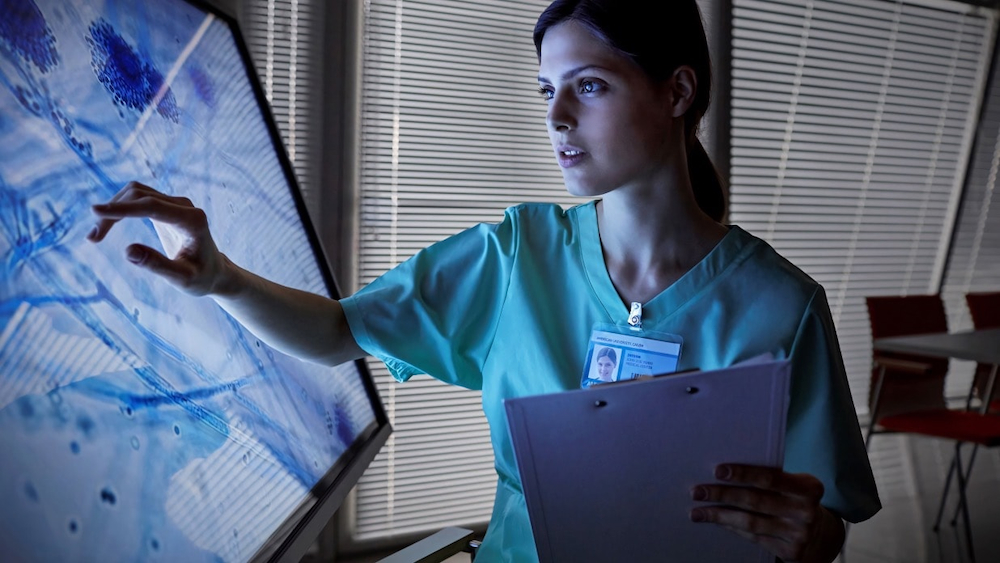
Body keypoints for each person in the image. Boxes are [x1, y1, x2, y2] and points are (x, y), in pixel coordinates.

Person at [88, 0, 881, 560]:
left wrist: (812, 540)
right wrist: (222, 275)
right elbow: (336, 332)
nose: (557, 115)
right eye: (548, 90)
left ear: (677, 91)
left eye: (589, 85)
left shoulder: (785, 307)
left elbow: (825, 523)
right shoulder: (514, 256)